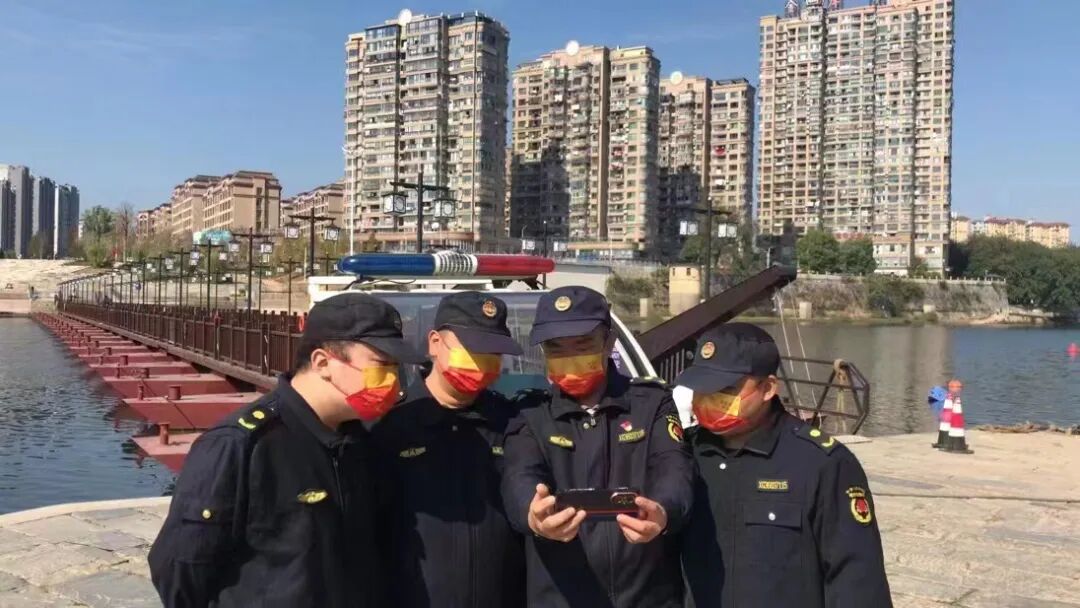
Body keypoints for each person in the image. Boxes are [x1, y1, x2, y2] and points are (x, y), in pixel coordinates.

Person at [147, 293, 424, 608]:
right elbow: (180, 574)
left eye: (395, 368)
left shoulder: (361, 442)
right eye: (381, 365)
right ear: (323, 363)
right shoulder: (243, 445)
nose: (392, 381)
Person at [501, 286, 693, 608]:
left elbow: (673, 467)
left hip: (648, 597)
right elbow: (519, 476)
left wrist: (663, 511)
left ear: (609, 341)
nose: (570, 358)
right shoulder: (529, 414)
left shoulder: (653, 404)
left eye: (582, 344)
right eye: (556, 348)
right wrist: (533, 516)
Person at [676, 323, 892, 608]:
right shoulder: (681, 454)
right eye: (701, 387)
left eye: (725, 389)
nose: (708, 398)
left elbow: (857, 581)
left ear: (767, 388)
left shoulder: (821, 463)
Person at [371, 291, 526, 607]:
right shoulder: (389, 425)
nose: (481, 362)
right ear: (434, 343)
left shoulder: (512, 423)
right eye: (471, 349)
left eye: (492, 352)